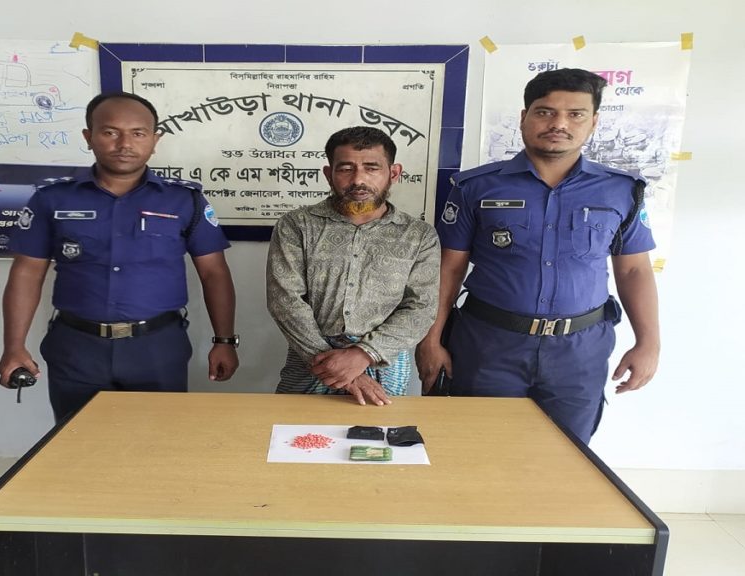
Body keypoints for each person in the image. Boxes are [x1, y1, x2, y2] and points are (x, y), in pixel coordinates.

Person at [415, 68, 659, 443]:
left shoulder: (621, 191)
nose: (559, 123)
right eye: (545, 112)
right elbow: (448, 270)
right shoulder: (475, 187)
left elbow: (634, 272)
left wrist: (648, 343)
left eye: (575, 114)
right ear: (524, 117)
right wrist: (431, 341)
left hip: (579, 352)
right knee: (480, 448)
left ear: (593, 122)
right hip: (489, 346)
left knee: (566, 456)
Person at [0, 92, 239, 422]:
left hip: (157, 347)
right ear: (89, 137)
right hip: (76, 347)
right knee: (78, 441)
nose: (125, 144)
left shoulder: (184, 200)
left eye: (138, 133)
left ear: (155, 140)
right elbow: (27, 272)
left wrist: (225, 340)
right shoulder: (52, 198)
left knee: (158, 440)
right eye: (110, 132)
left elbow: (214, 273)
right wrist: (14, 346)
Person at [267, 126, 440, 406]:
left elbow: (421, 307)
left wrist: (363, 354)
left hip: (384, 364)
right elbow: (284, 300)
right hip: (310, 361)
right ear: (329, 174)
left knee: (379, 433)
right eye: (346, 169)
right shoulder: (297, 225)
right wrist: (335, 367)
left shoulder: (418, 236)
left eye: (372, 168)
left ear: (393, 173)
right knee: (295, 430)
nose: (358, 179)